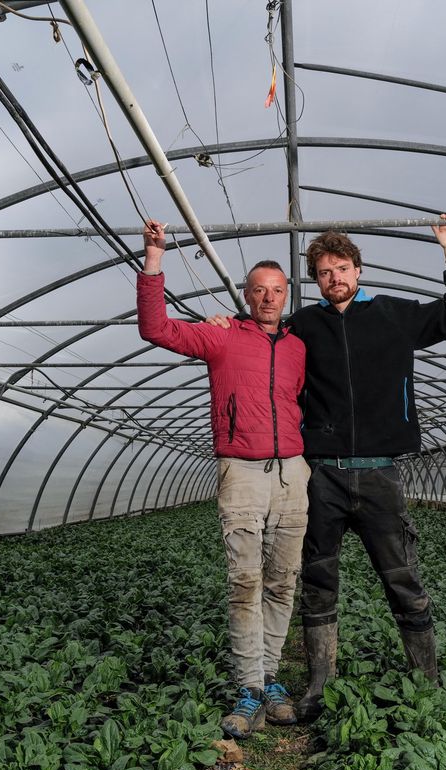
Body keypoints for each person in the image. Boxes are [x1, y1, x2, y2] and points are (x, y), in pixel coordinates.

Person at [290, 215, 446, 721]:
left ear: (359, 270)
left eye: (342, 268)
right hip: (322, 473)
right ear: (316, 280)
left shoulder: (394, 315)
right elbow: (262, 351)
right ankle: (318, 685)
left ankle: (427, 684)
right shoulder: (302, 327)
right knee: (318, 577)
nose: (335, 278)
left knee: (402, 578)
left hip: (378, 473)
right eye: (324, 273)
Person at [136, 220, 309, 739]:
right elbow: (156, 329)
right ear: (246, 294)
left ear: (287, 296)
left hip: (294, 474)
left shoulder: (301, 346)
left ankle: (273, 679)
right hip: (242, 471)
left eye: (277, 291)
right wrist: (154, 259)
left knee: (282, 581)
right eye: (259, 290)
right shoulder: (223, 338)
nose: (268, 298)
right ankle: (250, 687)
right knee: (244, 582)